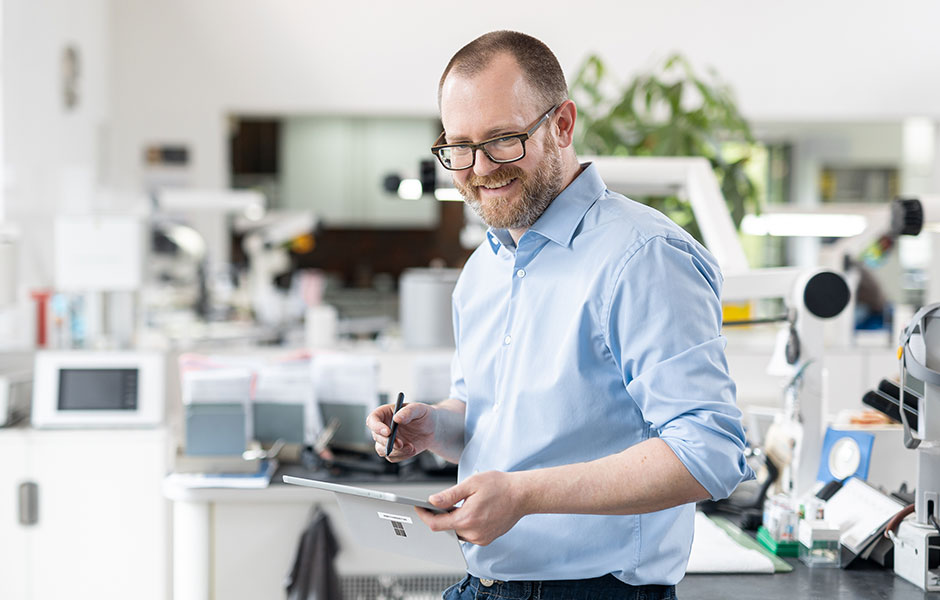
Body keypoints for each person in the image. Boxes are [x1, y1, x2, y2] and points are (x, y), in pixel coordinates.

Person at [367, 30, 752, 600]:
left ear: (563, 125)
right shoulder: (483, 269)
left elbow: (711, 450)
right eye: (460, 147)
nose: (478, 168)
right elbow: (490, 416)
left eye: (503, 140)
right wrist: (436, 427)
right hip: (487, 584)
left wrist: (523, 495)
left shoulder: (643, 257)